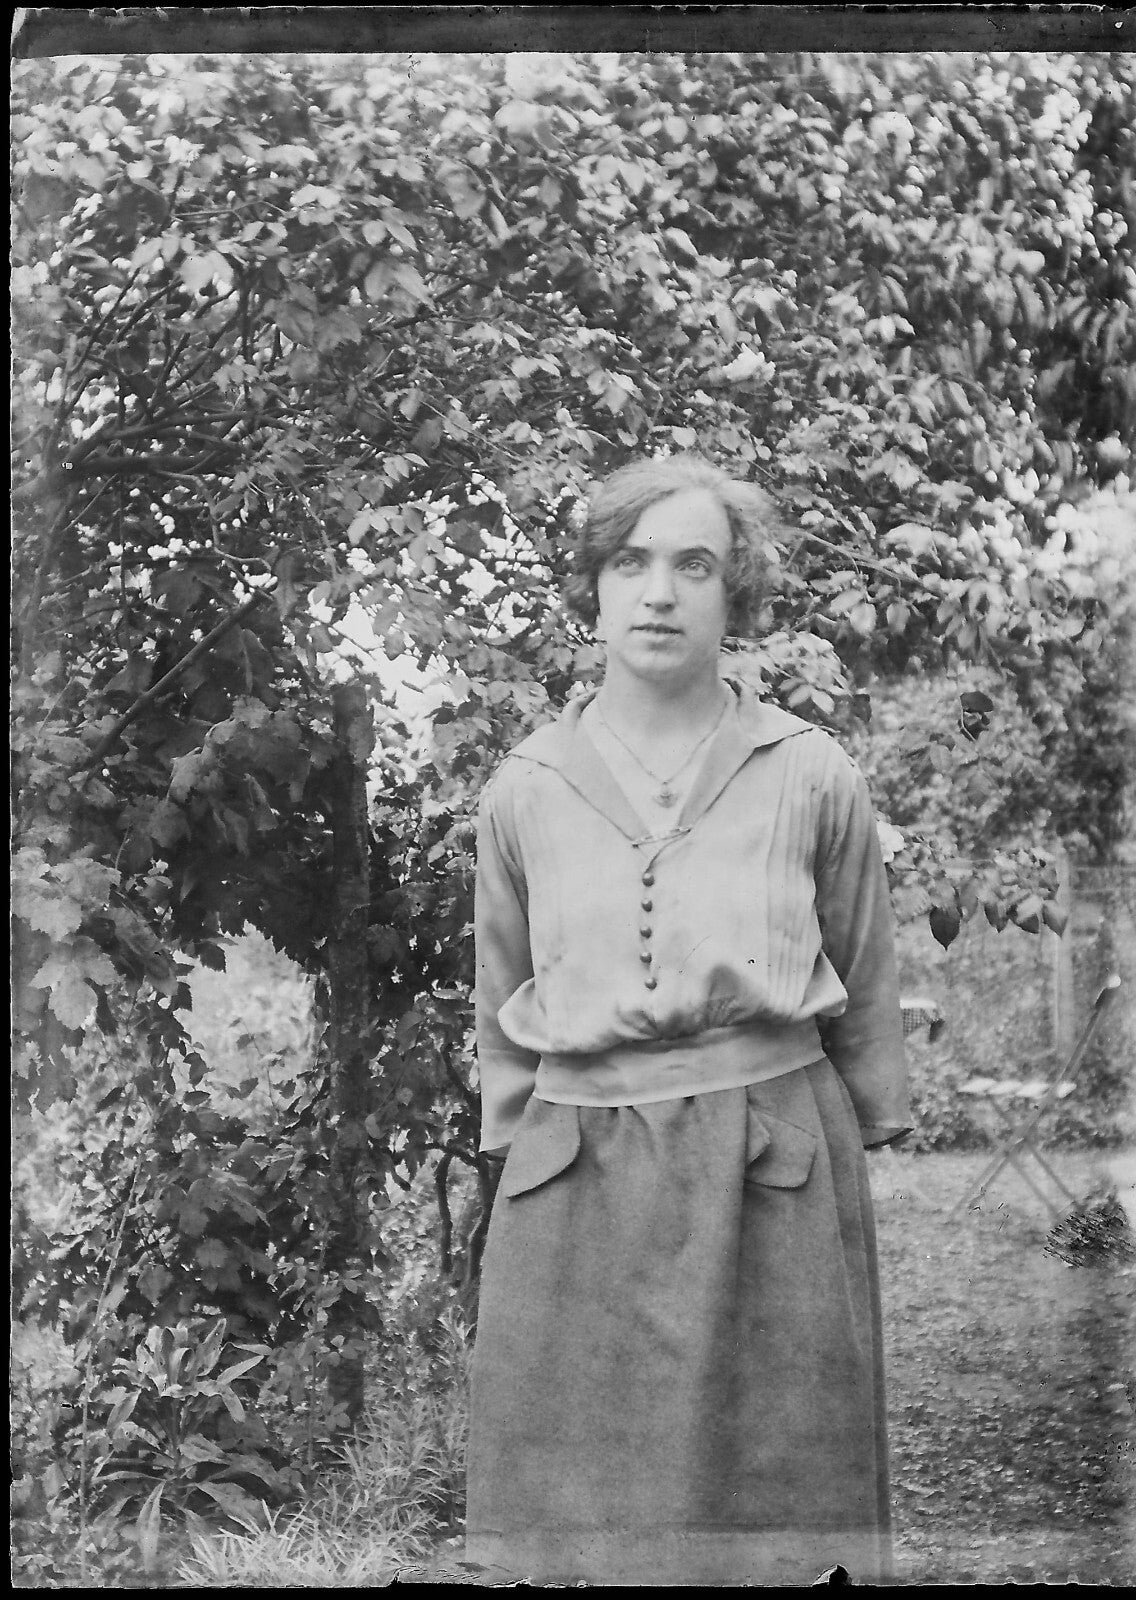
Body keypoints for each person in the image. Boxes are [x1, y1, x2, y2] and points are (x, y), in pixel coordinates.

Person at [465, 454, 913, 1586]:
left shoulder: (810, 773)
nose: (658, 592)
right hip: (576, 1183)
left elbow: (860, 978)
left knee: (780, 1503)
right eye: (630, 562)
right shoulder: (525, 785)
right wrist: (523, 1153)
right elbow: (503, 1003)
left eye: (692, 564)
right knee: (569, 1512)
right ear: (594, 589)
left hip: (771, 1166)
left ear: (737, 593)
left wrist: (851, 1148)